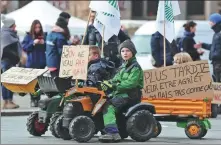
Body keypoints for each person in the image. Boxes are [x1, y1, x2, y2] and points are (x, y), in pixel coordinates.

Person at [98, 40, 143, 142]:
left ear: (133, 52)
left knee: (109, 106)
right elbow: (115, 79)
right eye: (122, 51)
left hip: (130, 95)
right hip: (121, 94)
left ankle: (112, 133)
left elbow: (131, 83)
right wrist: (106, 83)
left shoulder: (135, 67)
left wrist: (114, 86)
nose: (125, 53)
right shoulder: (123, 67)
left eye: (127, 50)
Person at [21, 20, 47, 107]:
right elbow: (24, 47)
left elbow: (48, 47)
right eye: (36, 27)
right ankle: (33, 99)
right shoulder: (28, 36)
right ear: (33, 27)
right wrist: (33, 43)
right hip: (32, 62)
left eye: (39, 27)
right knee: (32, 82)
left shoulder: (44, 36)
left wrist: (44, 43)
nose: (38, 29)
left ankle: (38, 99)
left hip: (41, 62)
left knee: (39, 83)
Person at [1, 16, 21, 109]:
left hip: (11, 61)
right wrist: (16, 56)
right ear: (10, 25)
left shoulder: (10, 34)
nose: (15, 26)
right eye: (13, 25)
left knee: (10, 81)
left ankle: (9, 100)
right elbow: (6, 50)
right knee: (7, 81)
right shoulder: (6, 35)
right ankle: (7, 101)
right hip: (6, 61)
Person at [195, 13, 221, 82]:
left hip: (219, 63)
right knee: (216, 82)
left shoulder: (219, 33)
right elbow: (213, 47)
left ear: (215, 22)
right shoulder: (216, 33)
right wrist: (202, 45)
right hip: (216, 63)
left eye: (211, 21)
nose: (209, 23)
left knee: (218, 83)